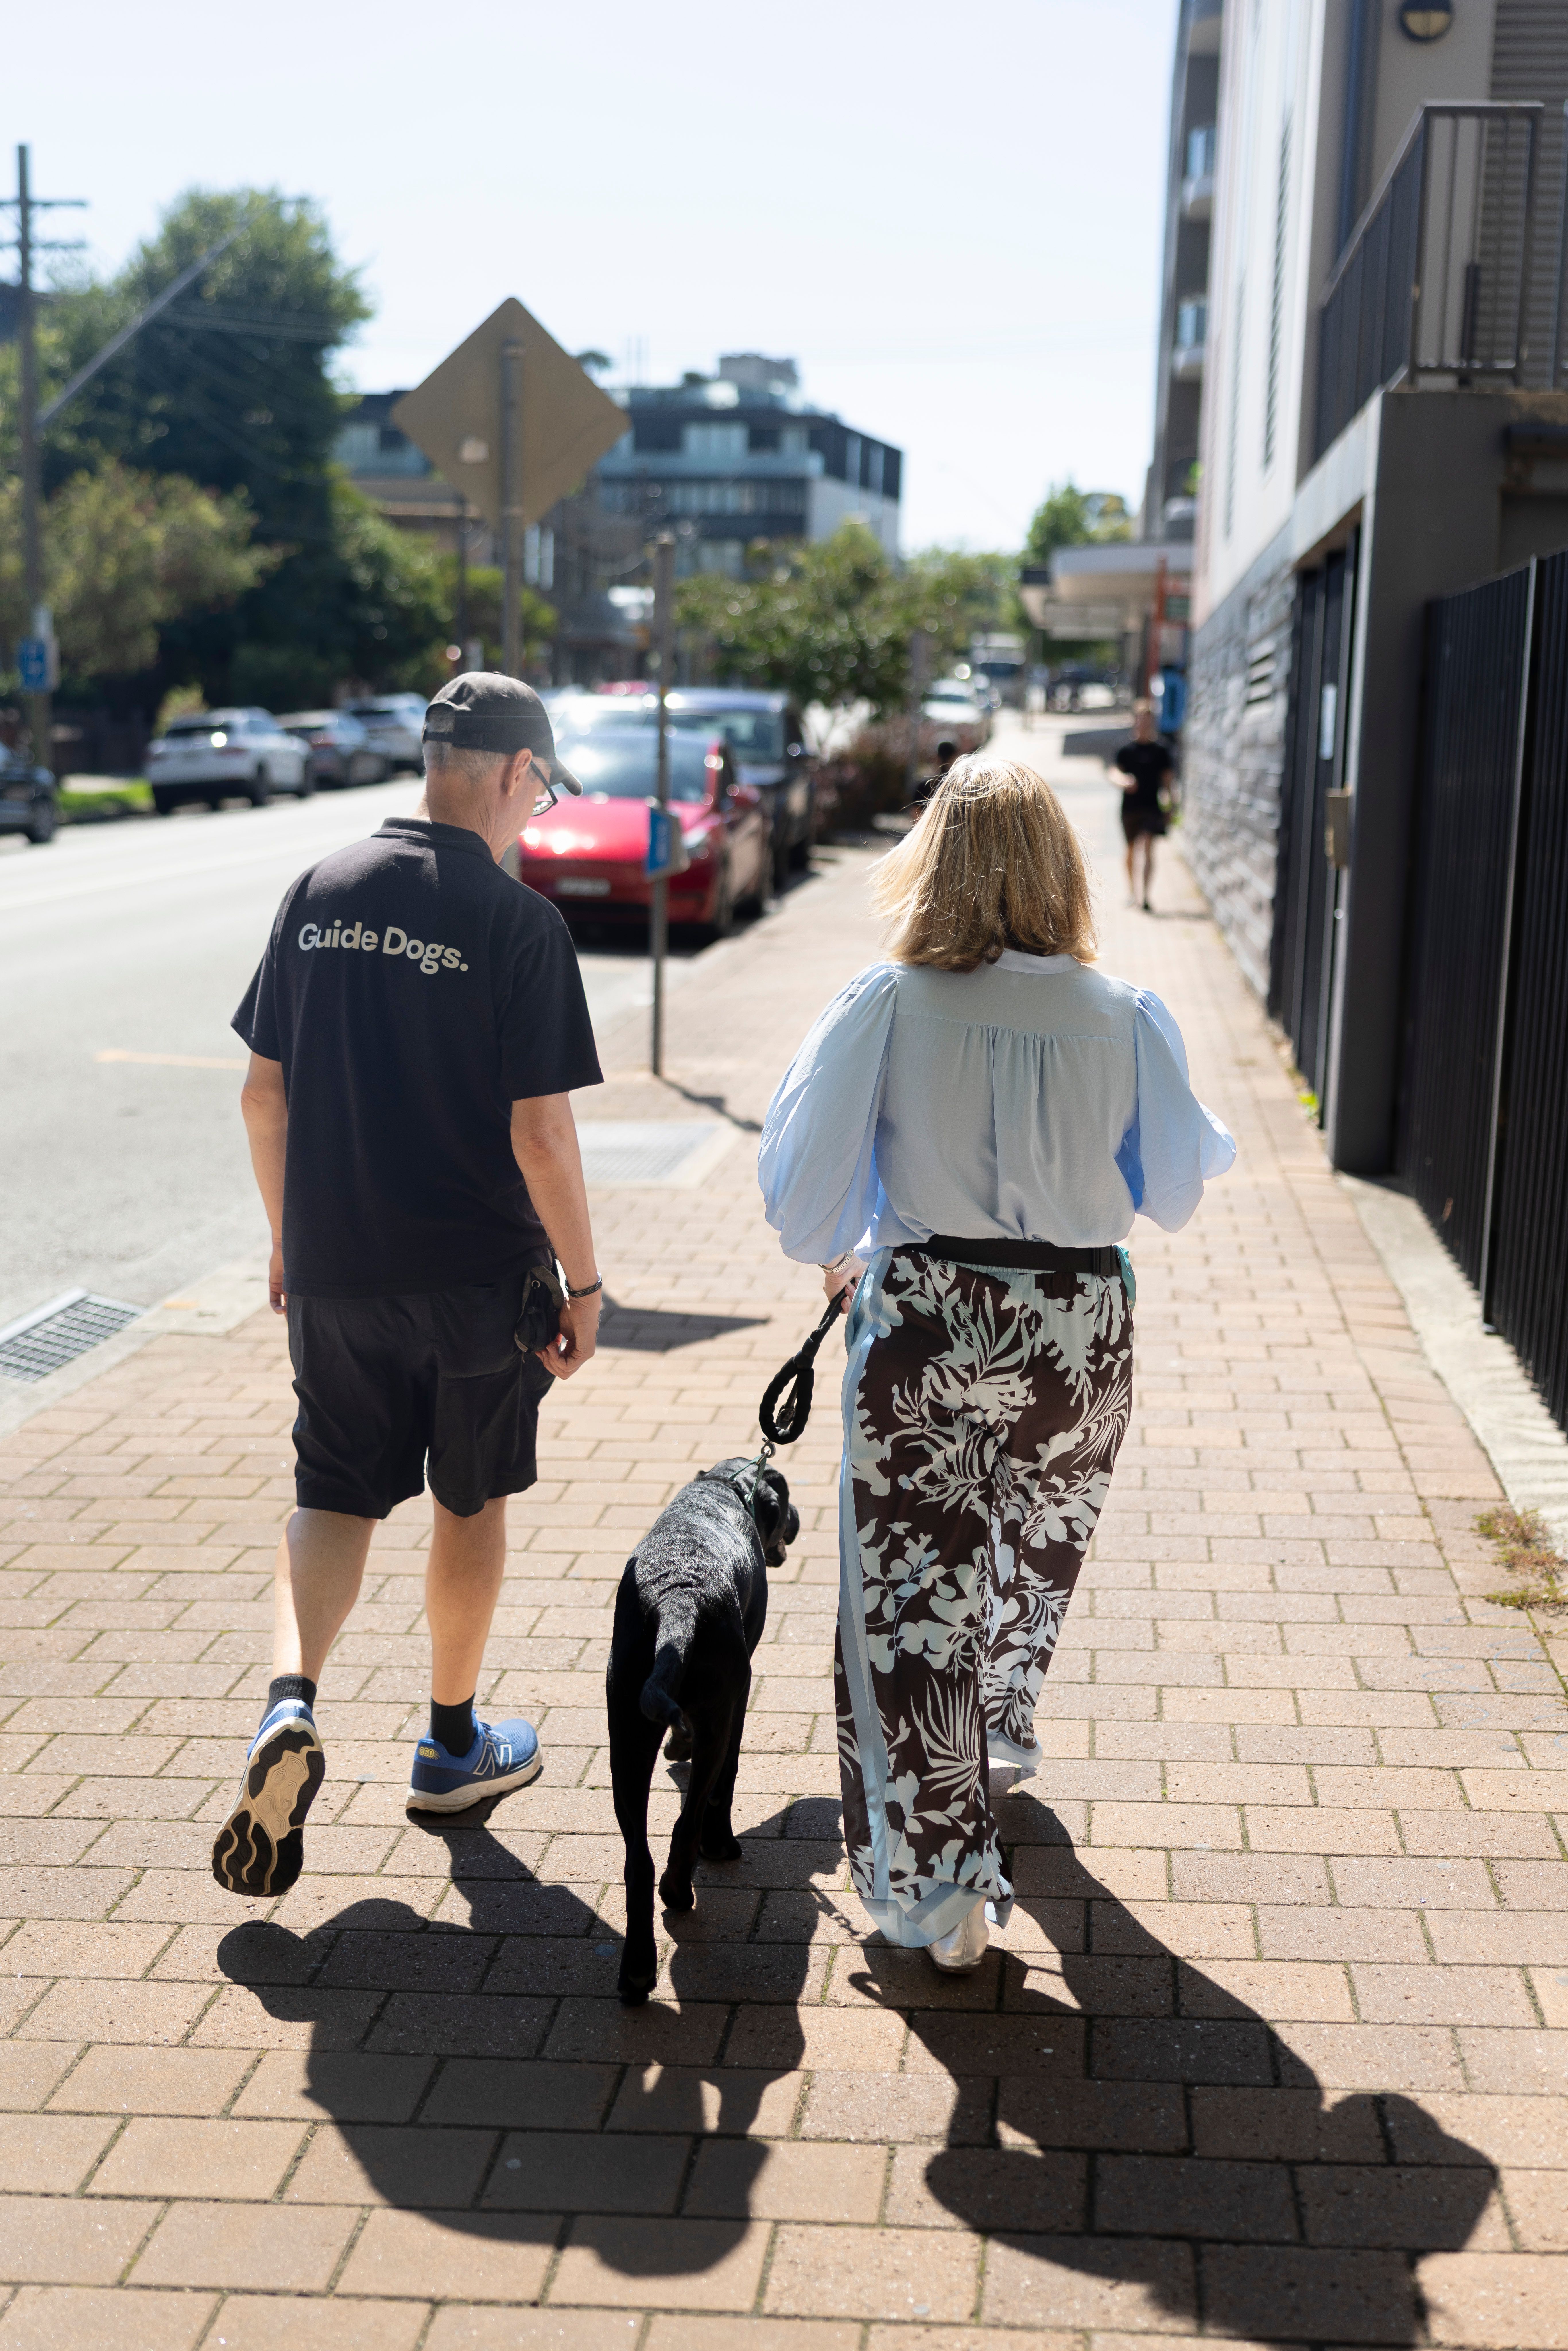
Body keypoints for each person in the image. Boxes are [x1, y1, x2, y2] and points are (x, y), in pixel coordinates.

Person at [758, 756, 1233, 1972]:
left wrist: (878, 1223)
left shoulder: (890, 999)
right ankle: (1004, 1730)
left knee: (913, 1606)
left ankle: (939, 1890)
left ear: (936, 858)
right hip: (1081, 1329)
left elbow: (805, 1208)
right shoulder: (1123, 1013)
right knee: (1035, 1550)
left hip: (930, 1320)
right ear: (1060, 867)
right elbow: (1174, 1190)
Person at [212, 674, 606, 1899]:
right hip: (476, 1278)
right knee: (468, 1500)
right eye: (540, 790)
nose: (536, 815)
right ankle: (448, 1746)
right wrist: (585, 1287)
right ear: (507, 772)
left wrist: (290, 1237)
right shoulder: (516, 921)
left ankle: (288, 1705)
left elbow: (261, 1096)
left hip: (335, 1262)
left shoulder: (318, 893)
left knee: (331, 1492)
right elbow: (540, 1135)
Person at [1110, 698, 1175, 911]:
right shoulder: (1125, 749)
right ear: (1136, 721)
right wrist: (1123, 781)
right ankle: (1132, 892)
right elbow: (1113, 772)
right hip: (1130, 808)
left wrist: (1171, 806)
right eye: (1141, 721)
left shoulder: (1161, 751)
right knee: (1130, 851)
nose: (1144, 725)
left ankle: (1146, 896)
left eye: (1148, 721)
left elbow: (1168, 782)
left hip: (1151, 807)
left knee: (1148, 847)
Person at [909, 738, 959, 812]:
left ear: (936, 757)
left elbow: (915, 813)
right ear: (955, 757)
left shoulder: (925, 785)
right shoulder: (959, 786)